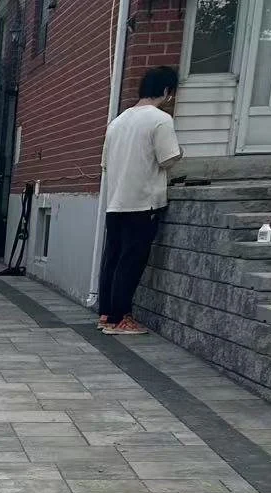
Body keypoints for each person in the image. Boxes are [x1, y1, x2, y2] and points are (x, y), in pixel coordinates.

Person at [97, 66, 181, 336]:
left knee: (112, 259)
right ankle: (122, 318)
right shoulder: (160, 120)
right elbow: (168, 159)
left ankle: (107, 315)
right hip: (143, 203)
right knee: (131, 261)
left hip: (116, 202)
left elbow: (105, 165)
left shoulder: (117, 123)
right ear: (167, 91)